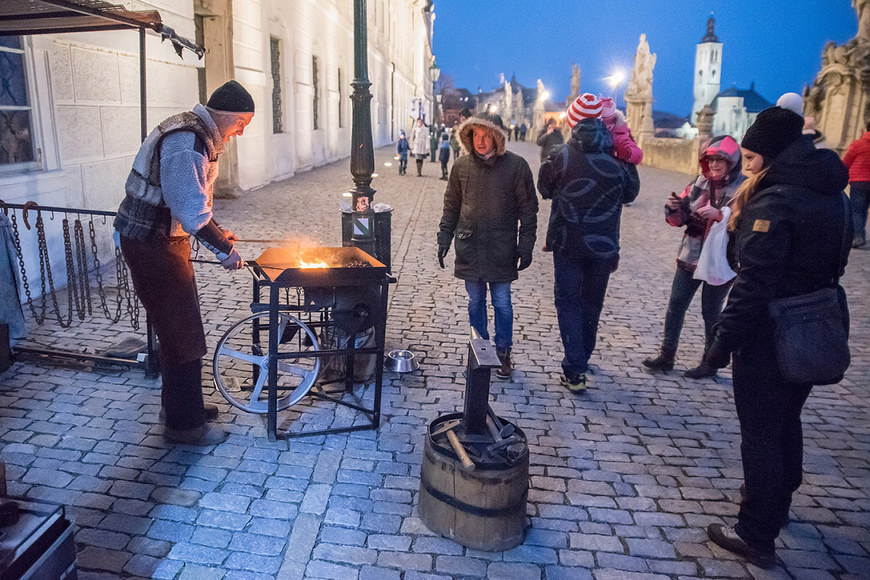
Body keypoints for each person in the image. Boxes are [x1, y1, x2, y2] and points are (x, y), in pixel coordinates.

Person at [705, 107, 852, 569]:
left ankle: (755, 533)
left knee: (762, 432)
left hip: (771, 331)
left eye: (750, 157)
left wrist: (722, 342)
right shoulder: (833, 192)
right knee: (788, 418)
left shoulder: (775, 201)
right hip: (815, 321)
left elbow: (753, 284)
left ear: (771, 155)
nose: (745, 165)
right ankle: (778, 505)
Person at [114, 80, 254, 445]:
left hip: (163, 240)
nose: (241, 131)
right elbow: (190, 211)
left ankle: (180, 406)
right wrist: (224, 251)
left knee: (179, 329)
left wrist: (222, 235)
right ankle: (184, 426)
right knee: (182, 333)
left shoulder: (196, 136)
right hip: (151, 241)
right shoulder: (187, 141)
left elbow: (195, 200)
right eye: (242, 123)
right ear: (225, 115)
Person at [537, 93, 640, 392]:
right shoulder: (618, 155)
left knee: (568, 303)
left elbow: (544, 188)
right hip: (604, 243)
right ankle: (582, 357)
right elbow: (631, 193)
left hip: (568, 241)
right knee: (592, 303)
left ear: (572, 122)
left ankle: (575, 368)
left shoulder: (560, 154)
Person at [437, 112, 538, 380]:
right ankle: (481, 352)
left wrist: (525, 245)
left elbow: (528, 210)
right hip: (470, 246)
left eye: (486, 135)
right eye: (476, 135)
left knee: (502, 303)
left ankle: (503, 352)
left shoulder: (516, 166)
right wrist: (444, 239)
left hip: (502, 248)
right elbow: (451, 207)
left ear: (497, 137)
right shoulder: (461, 167)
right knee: (475, 302)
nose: (481, 141)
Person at [642, 136, 744, 377]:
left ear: (732, 162)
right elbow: (680, 220)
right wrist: (675, 209)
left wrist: (720, 216)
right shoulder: (698, 182)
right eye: (711, 160)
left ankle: (710, 363)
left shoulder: (743, 187)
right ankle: (667, 356)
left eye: (721, 160)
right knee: (676, 305)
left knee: (711, 312)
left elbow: (744, 223)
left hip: (721, 260)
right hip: (691, 255)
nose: (715, 165)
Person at [843, 120, 870, 247]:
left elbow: (846, 161)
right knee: (863, 211)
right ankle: (861, 234)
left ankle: (858, 236)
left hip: (859, 182)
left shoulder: (858, 144)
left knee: (857, 210)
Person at [599, 97, 643, 165]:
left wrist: (628, 153)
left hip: (612, 169)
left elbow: (638, 154)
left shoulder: (619, 135)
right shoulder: (594, 132)